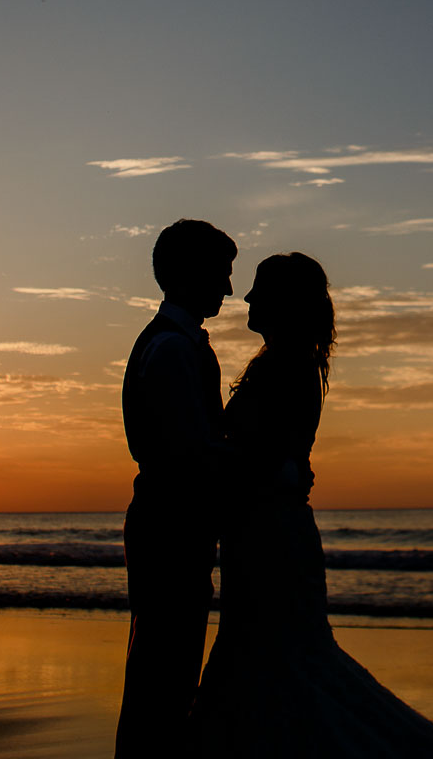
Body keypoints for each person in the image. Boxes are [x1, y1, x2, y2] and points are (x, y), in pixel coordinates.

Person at [191, 252, 433, 757]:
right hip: (263, 531)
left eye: (260, 289)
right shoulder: (282, 361)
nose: (248, 298)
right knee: (269, 652)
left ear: (282, 302)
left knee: (276, 655)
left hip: (270, 537)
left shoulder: (287, 366)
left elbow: (265, 459)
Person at [115, 218, 238, 757]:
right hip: (170, 531)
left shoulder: (176, 345)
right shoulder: (170, 351)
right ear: (189, 275)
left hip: (168, 526)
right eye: (221, 274)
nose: (229, 290)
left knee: (164, 671)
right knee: (163, 676)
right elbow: (189, 454)